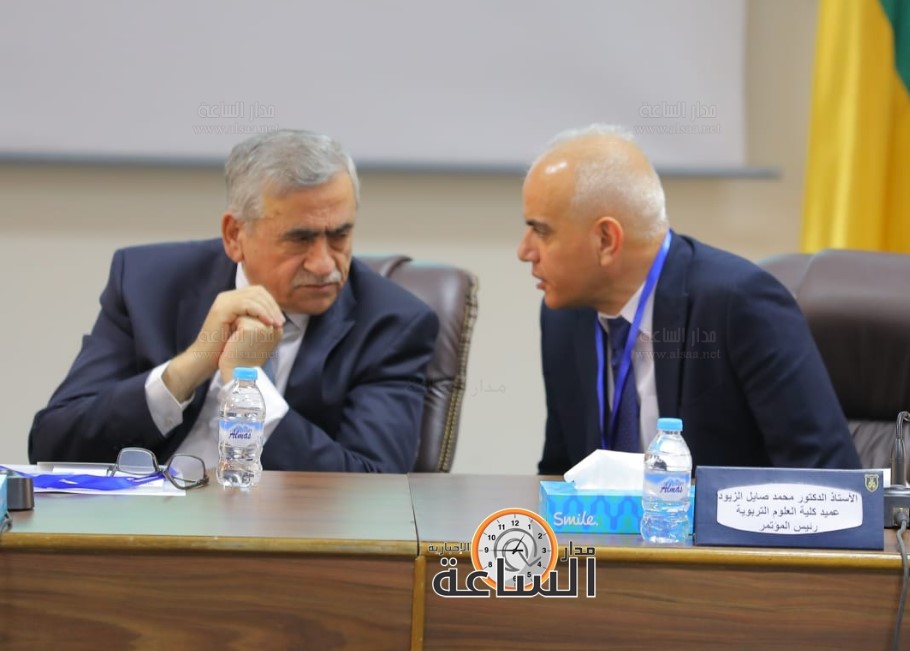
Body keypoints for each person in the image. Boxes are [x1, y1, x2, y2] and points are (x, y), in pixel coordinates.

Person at [29, 129, 439, 473]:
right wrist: (189, 368)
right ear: (234, 235)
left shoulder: (390, 323)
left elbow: (375, 489)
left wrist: (247, 384)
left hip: (286, 536)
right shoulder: (148, 284)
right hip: (144, 525)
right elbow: (53, 447)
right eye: (299, 238)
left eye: (339, 235)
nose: (323, 264)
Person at [517, 124, 861, 475]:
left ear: (606, 240)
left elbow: (831, 478)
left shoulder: (739, 305)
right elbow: (561, 473)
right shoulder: (563, 318)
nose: (524, 251)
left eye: (541, 231)